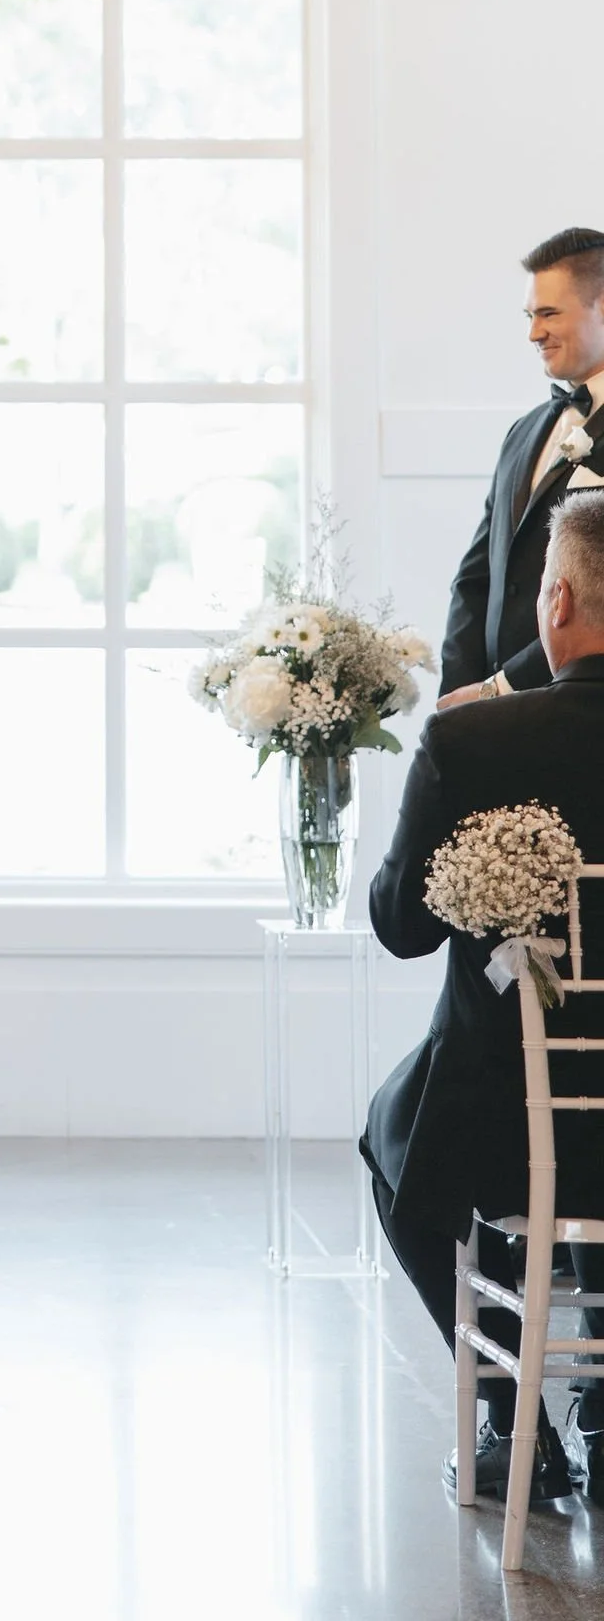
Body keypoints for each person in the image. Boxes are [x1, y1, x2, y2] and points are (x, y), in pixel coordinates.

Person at [364, 486, 604, 1505]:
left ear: (553, 601)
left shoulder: (474, 743)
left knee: (390, 1136)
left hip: (506, 1116)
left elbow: (400, 927)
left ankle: (514, 1419)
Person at [441, 226, 604, 703]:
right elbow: (477, 578)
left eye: (549, 313)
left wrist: (502, 687)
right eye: (530, 315)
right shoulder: (524, 432)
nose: (534, 333)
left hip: (580, 714)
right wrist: (460, 697)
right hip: (492, 723)